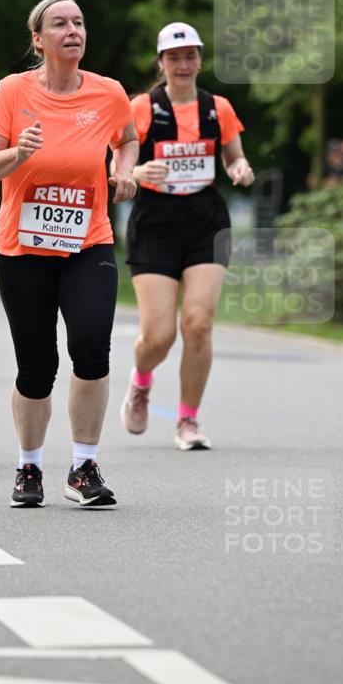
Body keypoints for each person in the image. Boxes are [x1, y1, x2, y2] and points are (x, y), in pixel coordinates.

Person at [0, 0, 138, 508]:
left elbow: (127, 137)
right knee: (36, 366)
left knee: (92, 346)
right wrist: (15, 154)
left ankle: (84, 466)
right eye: (60, 24)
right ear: (38, 39)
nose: (73, 31)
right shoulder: (12, 91)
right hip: (23, 248)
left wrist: (124, 168)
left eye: (80, 23)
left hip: (89, 241)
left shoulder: (109, 93)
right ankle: (29, 467)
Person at [120, 22, 254, 450]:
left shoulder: (218, 107)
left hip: (205, 219)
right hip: (155, 222)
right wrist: (138, 172)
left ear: (200, 60)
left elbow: (235, 157)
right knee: (159, 335)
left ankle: (187, 420)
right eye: (173, 57)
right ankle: (141, 382)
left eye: (190, 55)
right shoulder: (140, 107)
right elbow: (115, 168)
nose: (183, 64)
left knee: (197, 324)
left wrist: (239, 169)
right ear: (161, 62)